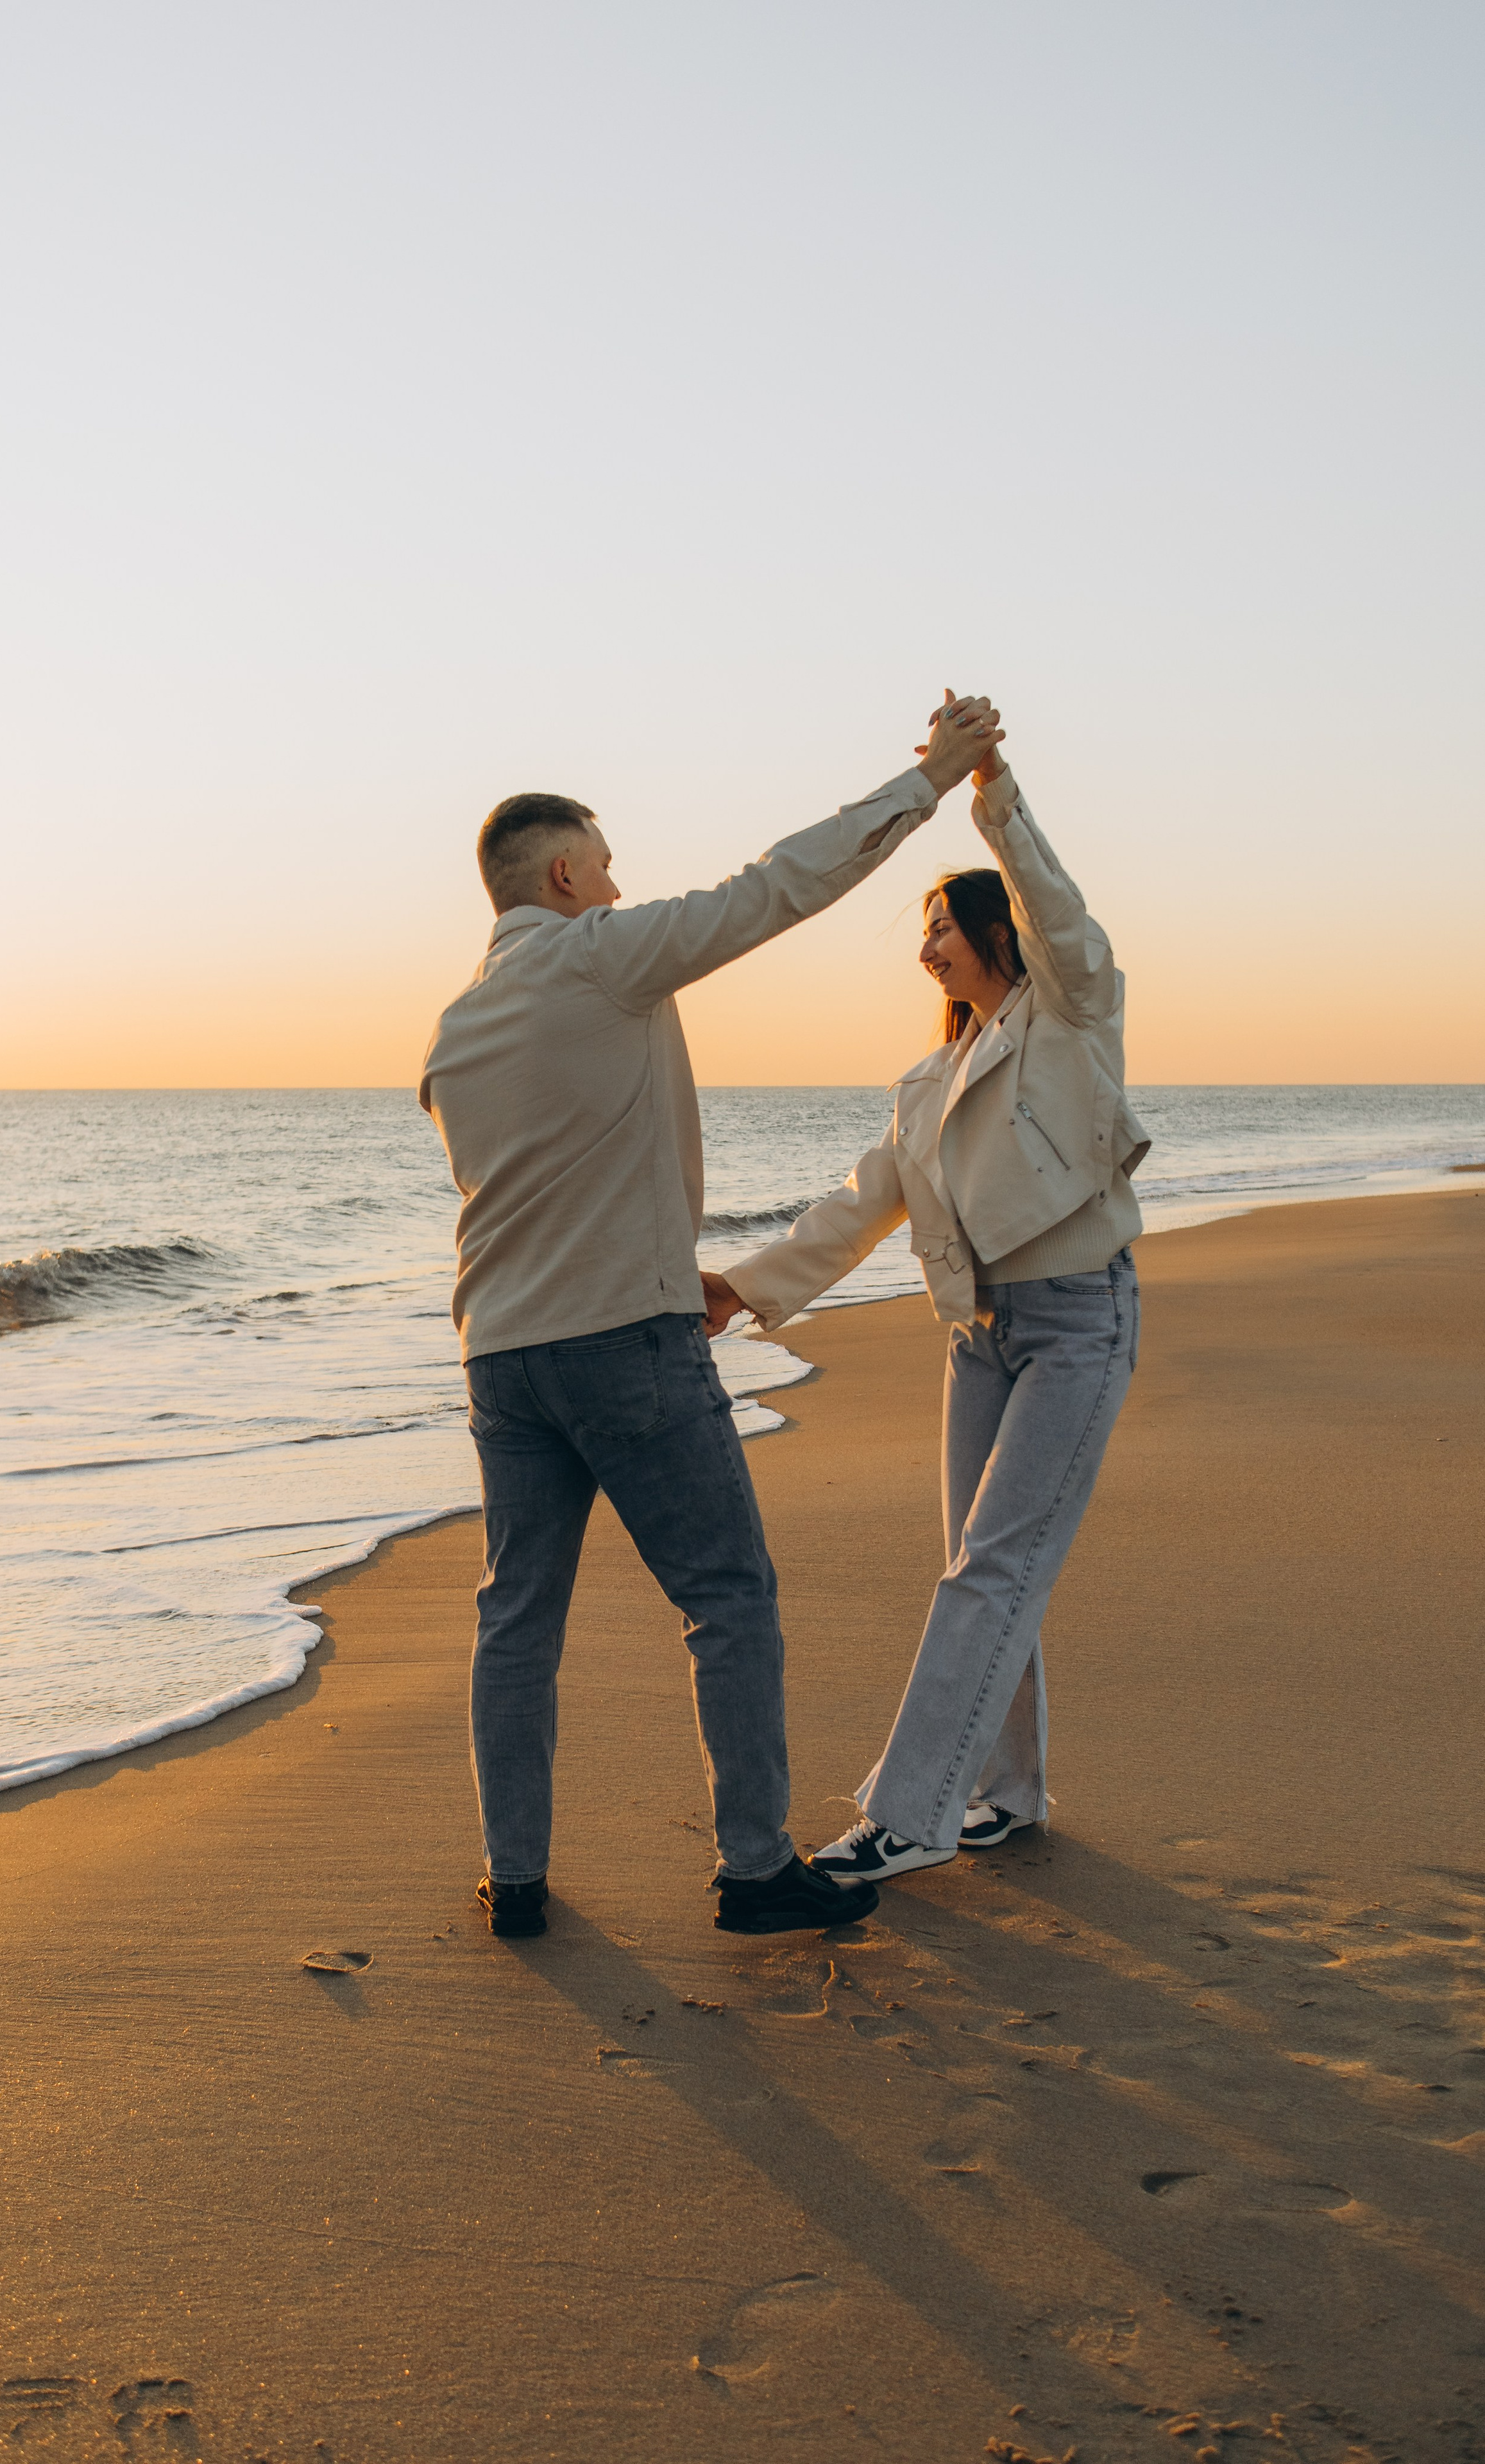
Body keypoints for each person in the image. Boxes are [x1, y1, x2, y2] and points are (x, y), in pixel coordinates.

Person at [419, 692, 1005, 1938]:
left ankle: (511, 1880)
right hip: (622, 1339)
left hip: (498, 1355)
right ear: (567, 875)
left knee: (516, 1617)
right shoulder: (599, 955)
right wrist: (928, 784)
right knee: (726, 1598)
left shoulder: (456, 1029)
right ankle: (751, 1870)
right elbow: (773, 888)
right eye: (609, 868)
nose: (622, 889)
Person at [702, 703, 1149, 1885]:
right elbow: (860, 1205)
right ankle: (1009, 1796)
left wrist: (992, 792)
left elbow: (1061, 911)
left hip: (1077, 1323)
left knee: (989, 1572)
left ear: (999, 932)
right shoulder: (924, 1081)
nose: (927, 947)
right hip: (980, 1340)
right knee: (982, 1565)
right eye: (925, 931)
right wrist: (736, 1289)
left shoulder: (1071, 1013)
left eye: (943, 925)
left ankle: (910, 1817)